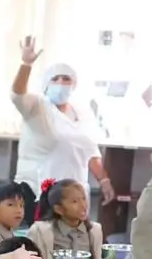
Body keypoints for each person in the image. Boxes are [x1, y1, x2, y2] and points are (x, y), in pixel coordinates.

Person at [12, 37, 113, 216]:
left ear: (73, 84)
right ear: (46, 84)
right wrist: (26, 65)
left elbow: (90, 150)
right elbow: (17, 95)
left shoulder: (82, 111)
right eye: (55, 79)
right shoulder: (37, 106)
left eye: (66, 79)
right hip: (39, 193)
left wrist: (104, 181)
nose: (60, 83)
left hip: (75, 196)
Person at [26, 178, 103, 259]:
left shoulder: (94, 230)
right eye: (74, 201)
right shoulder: (41, 231)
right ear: (59, 209)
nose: (83, 205)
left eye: (83, 198)